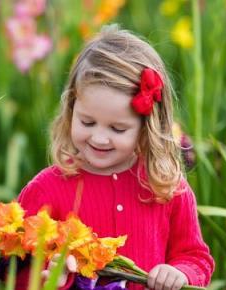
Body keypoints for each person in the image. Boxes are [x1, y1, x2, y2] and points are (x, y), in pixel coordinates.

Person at [16, 25, 214, 290]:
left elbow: (196, 257)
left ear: (147, 126)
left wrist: (180, 273)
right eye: (87, 122)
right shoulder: (46, 190)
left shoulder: (167, 188)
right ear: (71, 109)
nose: (99, 138)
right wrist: (50, 278)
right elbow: (14, 267)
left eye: (117, 129)